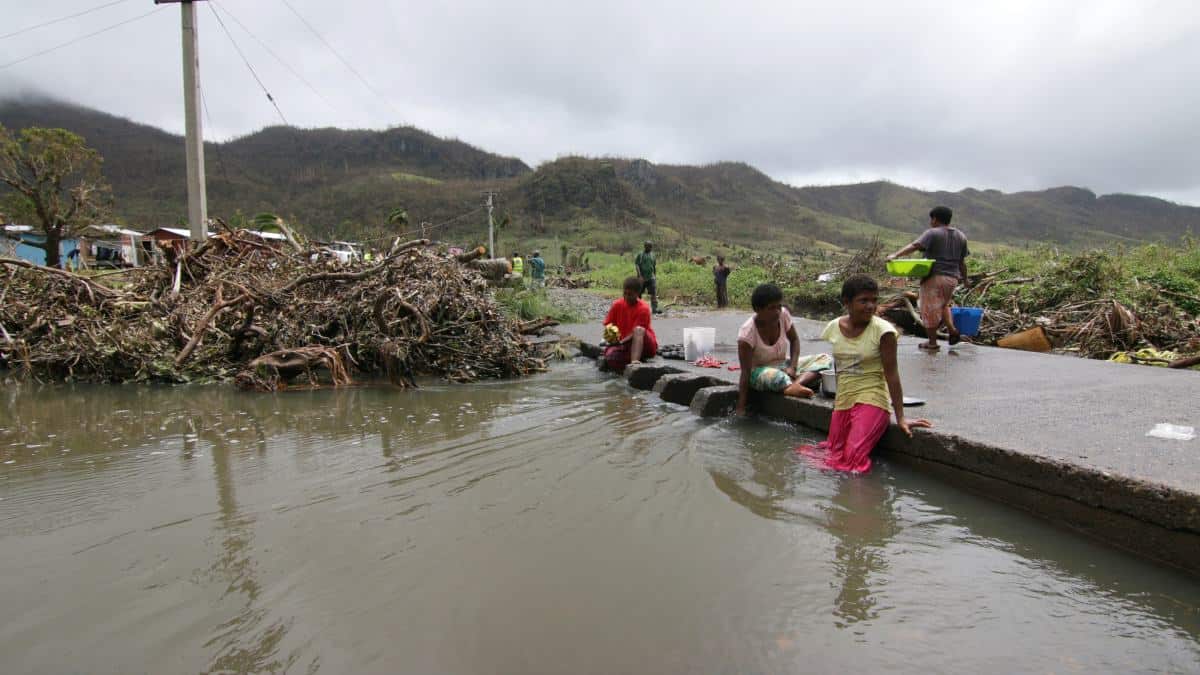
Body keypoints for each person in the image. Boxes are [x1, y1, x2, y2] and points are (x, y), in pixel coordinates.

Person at [797, 275, 932, 473]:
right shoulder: (834, 328)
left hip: (872, 399)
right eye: (864, 300)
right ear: (846, 302)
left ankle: (861, 501)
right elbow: (839, 366)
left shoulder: (884, 332)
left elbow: (892, 375)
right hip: (844, 400)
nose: (871, 306)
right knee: (833, 453)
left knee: (853, 459)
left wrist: (901, 417)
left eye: (874, 300)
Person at [735, 283, 829, 416]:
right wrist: (741, 406)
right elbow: (745, 372)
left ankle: (793, 385)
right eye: (771, 308)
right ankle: (792, 384)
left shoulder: (783, 314)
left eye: (779, 306)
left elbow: (795, 340)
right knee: (778, 377)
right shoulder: (747, 333)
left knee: (825, 359)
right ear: (758, 309)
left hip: (784, 365)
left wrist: (793, 367)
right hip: (760, 373)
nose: (777, 311)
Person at [886, 205, 969, 351]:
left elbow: (916, 245)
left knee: (928, 309)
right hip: (952, 279)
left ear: (935, 219)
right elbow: (962, 262)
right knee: (944, 305)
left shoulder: (932, 233)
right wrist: (966, 279)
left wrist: (896, 255)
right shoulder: (961, 236)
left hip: (935, 277)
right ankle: (952, 330)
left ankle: (932, 343)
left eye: (931, 219)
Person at [601, 276, 658, 373]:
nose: (627, 297)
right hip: (625, 345)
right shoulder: (617, 305)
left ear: (637, 294)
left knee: (638, 330)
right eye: (625, 293)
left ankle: (634, 362)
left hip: (644, 344)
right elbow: (609, 325)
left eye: (630, 294)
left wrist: (620, 342)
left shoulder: (643, 308)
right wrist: (610, 339)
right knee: (610, 357)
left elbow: (636, 333)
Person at [634, 241, 660, 314]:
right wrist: (640, 275)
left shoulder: (653, 255)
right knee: (639, 293)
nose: (651, 248)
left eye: (651, 246)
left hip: (651, 277)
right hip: (642, 277)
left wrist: (655, 275)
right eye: (649, 246)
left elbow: (654, 266)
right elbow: (637, 265)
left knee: (653, 293)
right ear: (645, 246)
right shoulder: (641, 255)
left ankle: (654, 309)